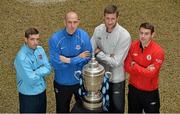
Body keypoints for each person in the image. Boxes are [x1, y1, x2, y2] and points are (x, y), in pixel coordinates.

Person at [48, 11, 92, 112]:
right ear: (64, 22)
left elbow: (87, 59)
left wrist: (66, 60)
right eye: (69, 22)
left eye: (75, 22)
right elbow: (55, 64)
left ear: (78, 22)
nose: (72, 26)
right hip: (62, 83)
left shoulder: (84, 36)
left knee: (83, 111)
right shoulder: (55, 39)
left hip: (80, 82)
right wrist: (77, 58)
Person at [91, 5, 131, 113]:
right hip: (100, 78)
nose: (109, 22)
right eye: (107, 18)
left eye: (113, 19)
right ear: (103, 17)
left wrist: (99, 53)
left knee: (117, 109)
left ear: (117, 18)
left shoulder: (124, 35)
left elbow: (116, 62)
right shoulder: (98, 30)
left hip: (116, 80)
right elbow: (91, 51)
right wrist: (109, 56)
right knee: (101, 108)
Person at [124, 22, 165, 113]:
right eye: (141, 33)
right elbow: (126, 67)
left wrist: (135, 66)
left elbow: (151, 74)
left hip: (150, 92)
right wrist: (145, 69)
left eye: (146, 34)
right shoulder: (133, 46)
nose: (143, 36)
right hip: (133, 90)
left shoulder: (158, 51)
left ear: (152, 35)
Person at [14, 28, 51, 113]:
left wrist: (35, 72)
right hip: (28, 96)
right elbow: (31, 80)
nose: (35, 42)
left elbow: (48, 68)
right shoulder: (21, 57)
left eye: (37, 39)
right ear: (26, 39)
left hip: (41, 92)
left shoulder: (40, 49)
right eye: (32, 39)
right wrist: (41, 70)